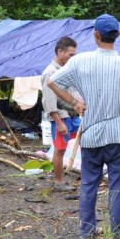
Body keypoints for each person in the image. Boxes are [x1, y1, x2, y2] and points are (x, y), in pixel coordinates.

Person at [47, 14, 120, 239]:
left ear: (96, 35)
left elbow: (52, 82)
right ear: (117, 35)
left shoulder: (81, 61)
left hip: (91, 133)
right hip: (119, 133)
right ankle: (118, 235)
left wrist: (75, 103)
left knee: (89, 184)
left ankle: (86, 231)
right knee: (118, 186)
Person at [40, 36, 80, 192]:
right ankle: (58, 182)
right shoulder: (50, 72)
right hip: (61, 117)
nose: (72, 58)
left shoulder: (63, 70)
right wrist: (59, 122)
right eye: (70, 54)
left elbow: (66, 96)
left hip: (71, 115)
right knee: (60, 149)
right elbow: (49, 103)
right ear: (60, 51)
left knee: (84, 140)